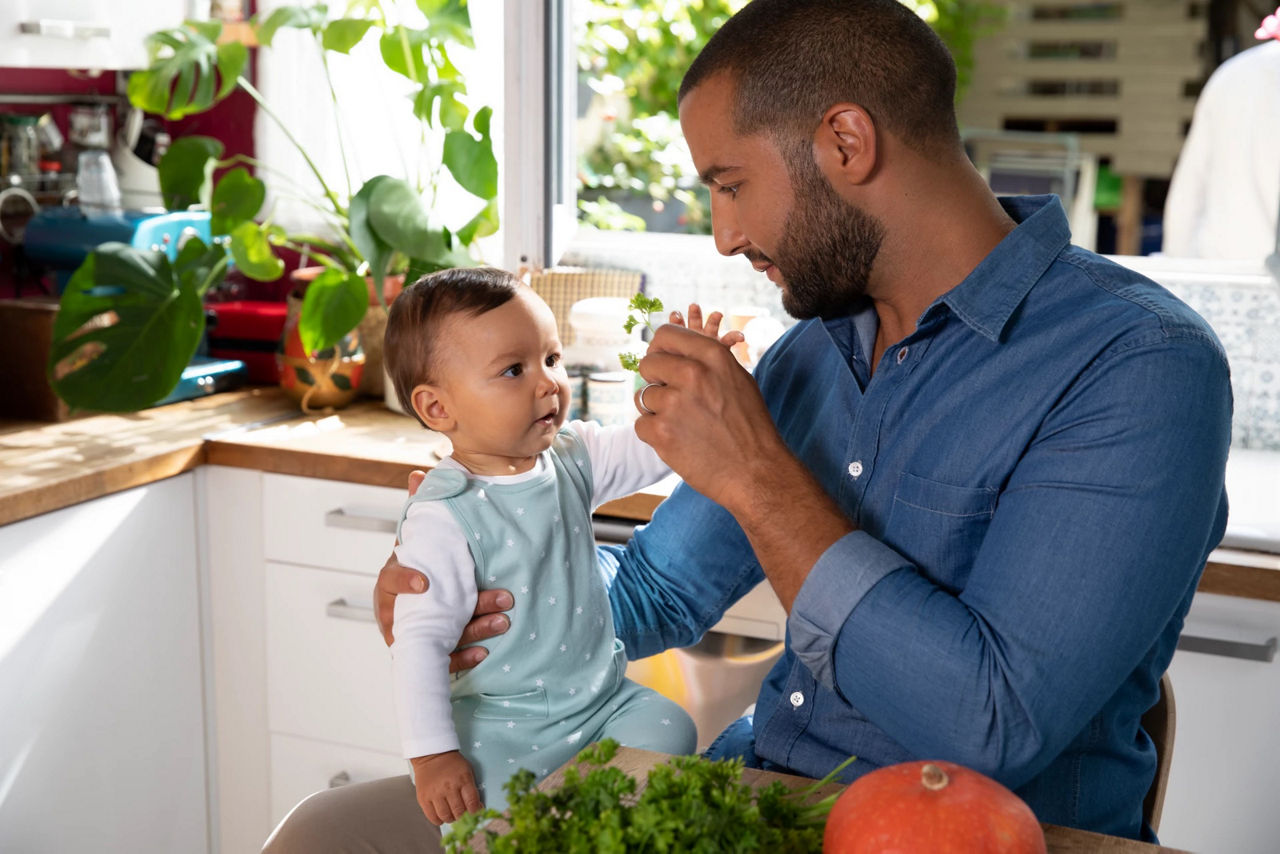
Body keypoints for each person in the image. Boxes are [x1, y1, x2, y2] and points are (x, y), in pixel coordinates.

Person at [264, 0, 1231, 850]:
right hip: (749, 800)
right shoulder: (813, 356)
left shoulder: (1139, 367)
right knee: (322, 835)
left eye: (729, 183)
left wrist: (761, 474)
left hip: (974, 835)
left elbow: (991, 722)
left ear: (846, 142)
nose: (723, 234)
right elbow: (649, 597)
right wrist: (490, 556)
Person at [377, 267, 746, 827]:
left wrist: (697, 393)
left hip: (600, 705)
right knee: (486, 817)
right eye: (513, 370)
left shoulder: (571, 456)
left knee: (672, 729)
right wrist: (433, 756)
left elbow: (656, 446)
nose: (548, 383)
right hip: (504, 726)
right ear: (437, 409)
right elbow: (419, 647)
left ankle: (580, 819)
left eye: (551, 359)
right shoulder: (443, 517)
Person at [1162, 31, 1280, 260]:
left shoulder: (1234, 73)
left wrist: (1178, 271)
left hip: (1220, 273)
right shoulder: (1236, 73)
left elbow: (1186, 196)